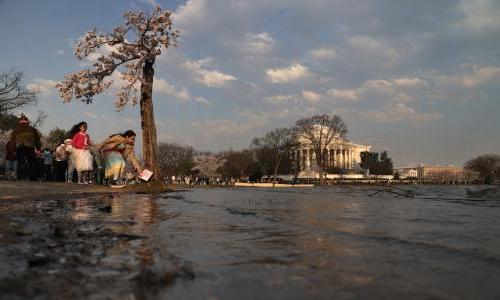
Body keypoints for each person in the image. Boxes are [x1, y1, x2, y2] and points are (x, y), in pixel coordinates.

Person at [10, 114, 41, 181]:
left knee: (20, 162)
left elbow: (12, 141)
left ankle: (20, 177)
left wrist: (13, 150)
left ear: (20, 121)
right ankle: (33, 178)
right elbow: (37, 139)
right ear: (27, 121)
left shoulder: (16, 130)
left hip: (20, 147)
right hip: (30, 147)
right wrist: (38, 149)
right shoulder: (32, 129)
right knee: (31, 162)